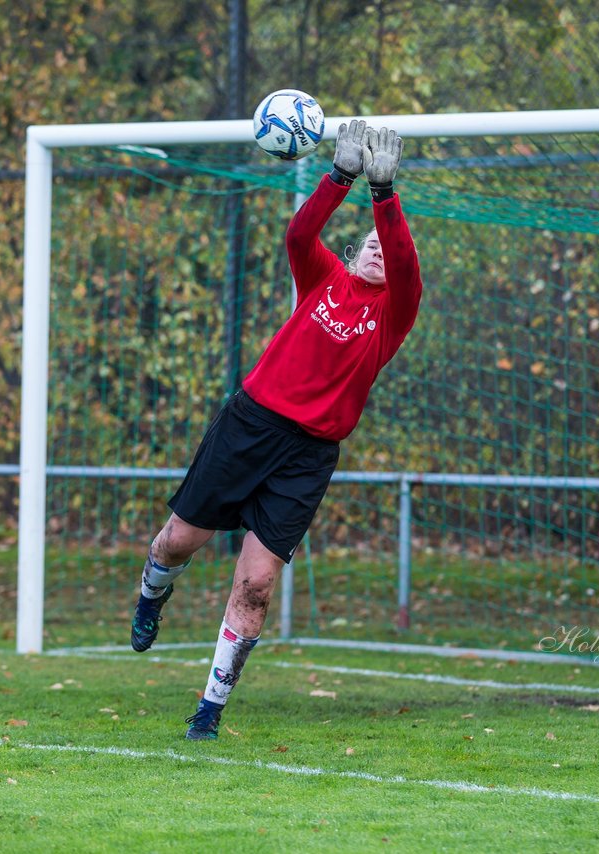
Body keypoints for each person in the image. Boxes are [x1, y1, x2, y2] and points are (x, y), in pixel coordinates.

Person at [130, 119, 422, 740]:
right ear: (347, 256)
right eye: (365, 243)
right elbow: (300, 230)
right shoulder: (320, 279)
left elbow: (400, 252)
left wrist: (384, 194)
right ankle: (152, 594)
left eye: (383, 246)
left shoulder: (395, 311)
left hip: (308, 455)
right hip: (250, 424)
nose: (376, 248)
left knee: (257, 583)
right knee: (179, 543)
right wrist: (338, 177)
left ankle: (209, 711)